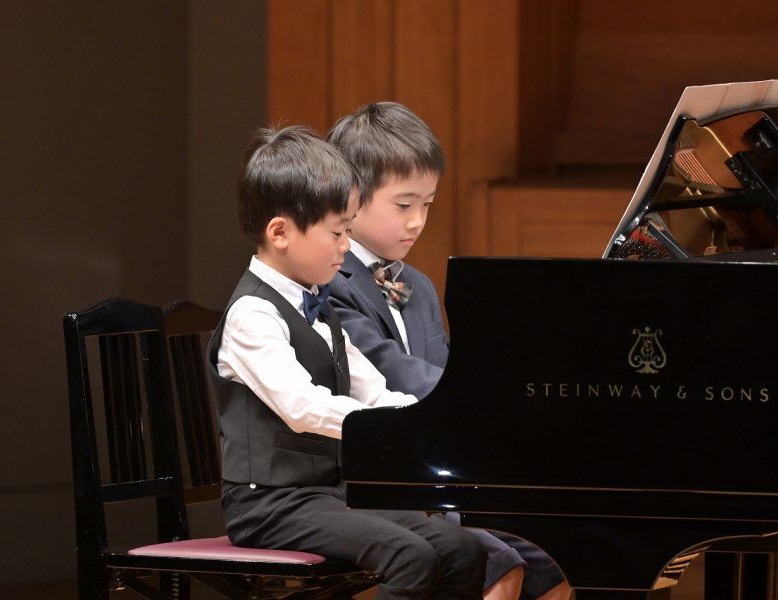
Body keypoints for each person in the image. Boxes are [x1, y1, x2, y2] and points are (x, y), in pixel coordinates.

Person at [207, 124, 487, 599]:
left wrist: (432, 422)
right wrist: (390, 426)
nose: (345, 246)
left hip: (328, 495)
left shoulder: (317, 305)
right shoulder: (252, 314)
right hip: (269, 504)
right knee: (409, 556)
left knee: (461, 549)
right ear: (280, 232)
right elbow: (303, 407)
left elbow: (372, 388)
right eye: (338, 232)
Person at [326, 102, 572, 600]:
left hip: (428, 480)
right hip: (360, 483)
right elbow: (392, 371)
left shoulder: (415, 283)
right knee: (498, 563)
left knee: (557, 558)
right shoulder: (330, 279)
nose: (417, 221)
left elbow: (446, 370)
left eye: (428, 205)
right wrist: (488, 399)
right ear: (350, 198)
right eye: (403, 205)